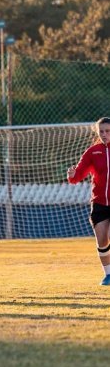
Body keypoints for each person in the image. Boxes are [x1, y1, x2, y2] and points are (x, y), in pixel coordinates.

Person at [68, 117, 110, 285]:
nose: (104, 134)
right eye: (101, 131)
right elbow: (78, 175)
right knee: (101, 239)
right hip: (99, 203)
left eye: (107, 131)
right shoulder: (93, 152)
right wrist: (72, 176)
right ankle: (108, 275)